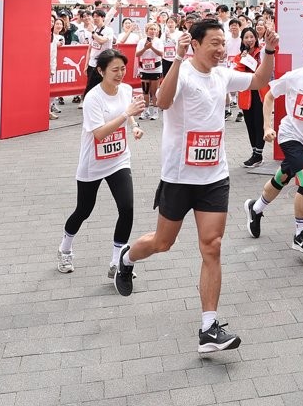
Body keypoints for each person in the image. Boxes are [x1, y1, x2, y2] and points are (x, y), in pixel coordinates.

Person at [114, 19, 279, 354]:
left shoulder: (223, 74)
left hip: (214, 178)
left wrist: (271, 50)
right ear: (197, 45)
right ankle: (127, 258)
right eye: (214, 43)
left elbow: (261, 80)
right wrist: (175, 58)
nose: (221, 49)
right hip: (178, 177)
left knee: (212, 246)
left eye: (223, 43)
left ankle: (208, 328)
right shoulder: (184, 71)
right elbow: (162, 100)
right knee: (163, 242)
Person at [244, 29, 303, 253]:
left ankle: (255, 208)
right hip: (289, 135)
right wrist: (268, 126)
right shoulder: (294, 76)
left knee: (283, 176)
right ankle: (300, 233)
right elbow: (269, 95)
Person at [57, 49, 145, 276]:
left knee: (127, 208)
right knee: (84, 210)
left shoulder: (125, 90)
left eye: (123, 69)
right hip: (92, 163)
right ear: (101, 71)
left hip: (119, 160)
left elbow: (128, 111)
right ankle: (65, 247)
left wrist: (134, 125)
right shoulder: (93, 98)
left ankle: (117, 261)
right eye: (114, 70)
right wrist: (127, 116)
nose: (120, 74)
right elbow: (99, 134)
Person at [233, 28, 266, 167]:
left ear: (256, 38)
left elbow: (263, 68)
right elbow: (238, 71)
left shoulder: (261, 51)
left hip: (260, 92)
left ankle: (258, 154)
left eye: (251, 37)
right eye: (246, 37)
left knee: (259, 123)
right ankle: (254, 152)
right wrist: (243, 57)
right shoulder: (239, 56)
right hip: (246, 93)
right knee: (250, 124)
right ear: (242, 40)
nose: (249, 40)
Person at [136, 22, 164, 120]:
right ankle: (145, 110)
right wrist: (145, 48)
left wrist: (151, 47)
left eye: (154, 29)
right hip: (144, 69)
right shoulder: (141, 41)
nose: (152, 31)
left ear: (157, 31)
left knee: (154, 91)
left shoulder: (159, 41)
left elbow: (161, 54)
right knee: (145, 91)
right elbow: (137, 54)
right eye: (150, 29)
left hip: (156, 69)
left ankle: (155, 111)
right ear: (147, 30)